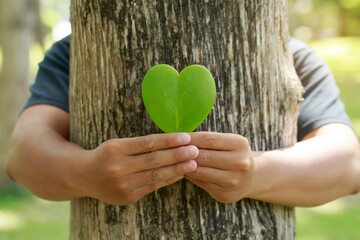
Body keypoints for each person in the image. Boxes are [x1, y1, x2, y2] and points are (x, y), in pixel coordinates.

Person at [5, 35, 360, 207]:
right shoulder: (75, 52)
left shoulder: (291, 57)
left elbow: (348, 163)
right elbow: (22, 155)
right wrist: (84, 172)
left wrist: (258, 172)